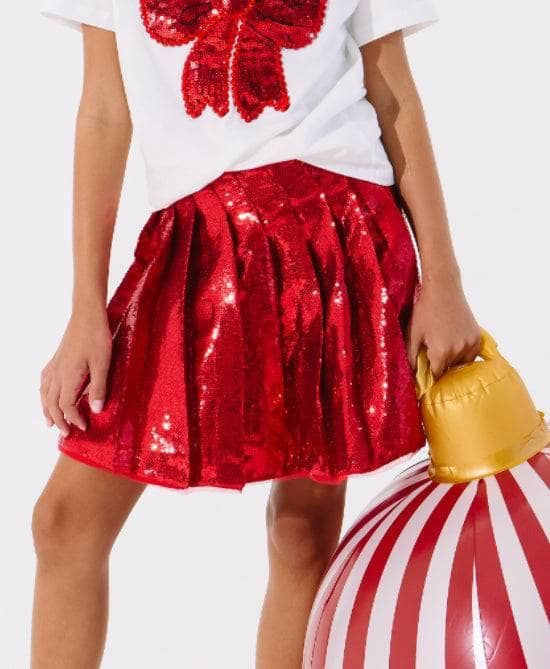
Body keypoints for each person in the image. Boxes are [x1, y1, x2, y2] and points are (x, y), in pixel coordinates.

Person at [32, 1, 481, 667]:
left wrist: (444, 279)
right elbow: (103, 107)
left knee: (301, 532)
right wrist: (85, 309)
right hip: (198, 239)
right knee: (65, 521)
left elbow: (394, 94)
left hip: (337, 236)